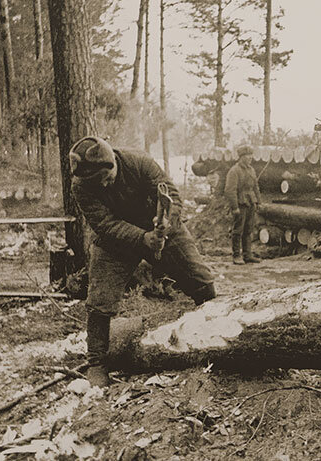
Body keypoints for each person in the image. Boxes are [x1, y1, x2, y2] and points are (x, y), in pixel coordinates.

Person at [69, 136, 216, 387]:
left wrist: (166, 223)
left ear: (113, 162)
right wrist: (142, 238)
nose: (103, 185)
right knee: (99, 301)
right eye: (97, 183)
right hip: (116, 238)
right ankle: (97, 364)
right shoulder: (80, 186)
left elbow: (172, 196)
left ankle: (219, 335)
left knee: (200, 277)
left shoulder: (139, 163)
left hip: (158, 226)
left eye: (106, 177)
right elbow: (105, 225)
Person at [225, 145, 261, 265]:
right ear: (241, 157)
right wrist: (234, 207)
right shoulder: (234, 171)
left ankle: (247, 254)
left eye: (251, 155)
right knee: (238, 230)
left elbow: (255, 186)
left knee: (248, 229)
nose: (250, 157)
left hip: (250, 202)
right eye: (247, 155)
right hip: (240, 203)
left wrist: (258, 201)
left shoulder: (251, 170)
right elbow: (230, 190)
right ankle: (236, 255)